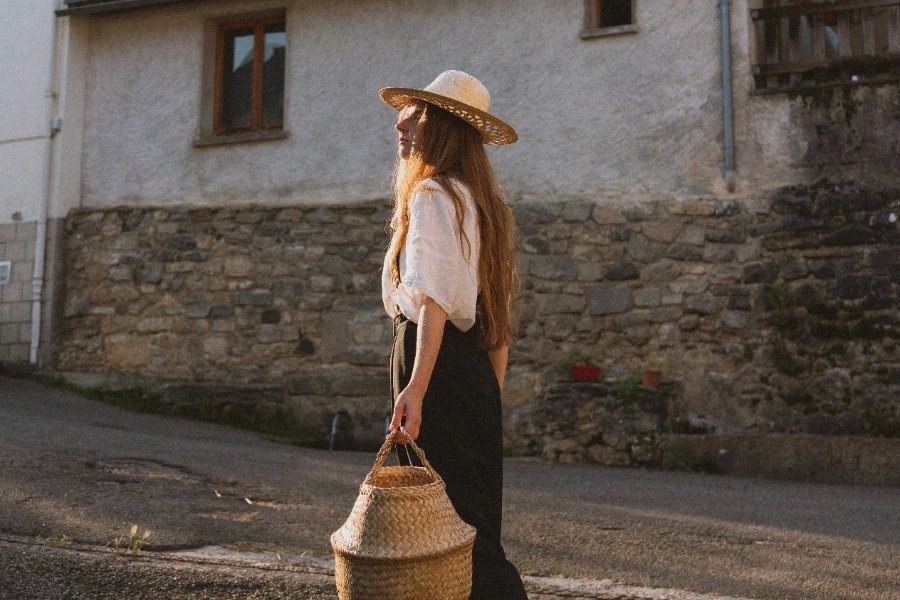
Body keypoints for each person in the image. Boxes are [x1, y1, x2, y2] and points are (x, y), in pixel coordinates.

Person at [379, 70, 527, 600]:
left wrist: (415, 389)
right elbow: (496, 321)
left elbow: (434, 304)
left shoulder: (435, 196)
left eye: (414, 116)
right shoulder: (479, 205)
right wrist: (490, 394)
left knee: (444, 531)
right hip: (470, 378)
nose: (399, 124)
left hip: (436, 373)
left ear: (438, 126)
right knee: (469, 527)